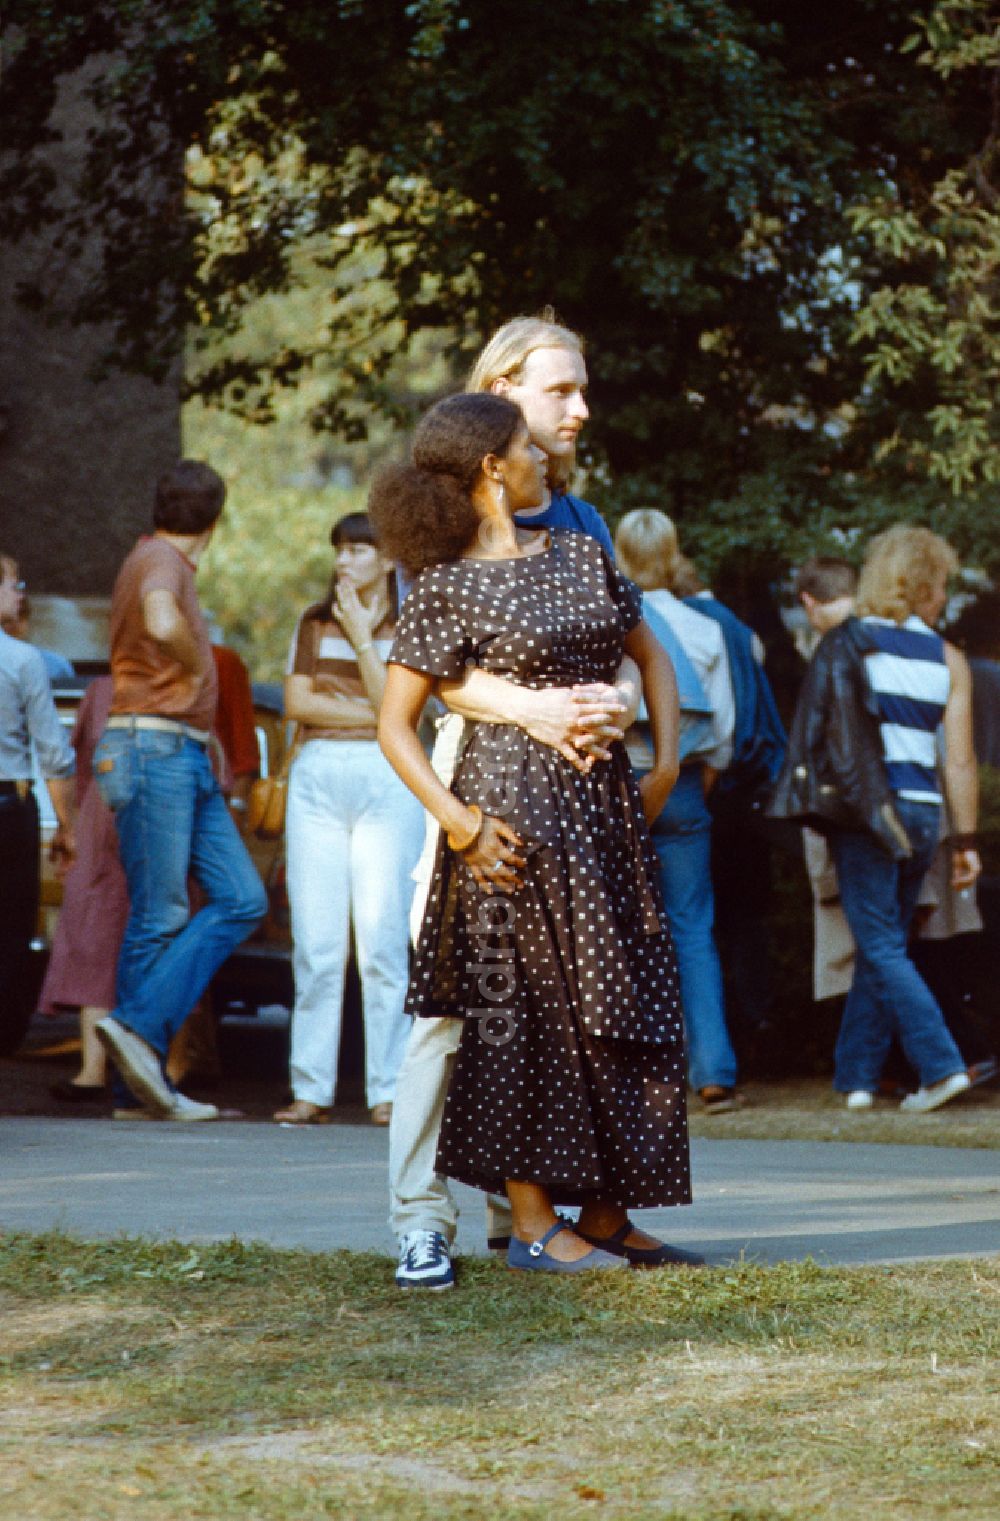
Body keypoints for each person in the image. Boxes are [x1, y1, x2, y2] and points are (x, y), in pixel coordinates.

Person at [387, 314, 693, 1290]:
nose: (578, 412)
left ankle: (597, 1210)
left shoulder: (581, 529)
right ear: (498, 424)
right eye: (559, 394)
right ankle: (428, 1222)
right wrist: (520, 734)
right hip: (488, 781)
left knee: (615, 994)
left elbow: (635, 648)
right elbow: (432, 681)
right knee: (481, 1007)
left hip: (596, 794)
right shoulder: (439, 547)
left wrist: (638, 731)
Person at [770, 525, 978, 1113]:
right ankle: (856, 1080)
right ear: (926, 585)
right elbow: (958, 760)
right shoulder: (947, 656)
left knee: (882, 945)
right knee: (884, 941)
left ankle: (941, 1067)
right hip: (924, 815)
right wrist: (965, 840)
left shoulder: (854, 641)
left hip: (868, 813)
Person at [92, 460, 266, 1120]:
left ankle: (137, 1062)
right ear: (216, 518)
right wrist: (198, 660)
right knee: (161, 914)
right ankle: (139, 1059)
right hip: (152, 749)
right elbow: (163, 621)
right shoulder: (162, 561)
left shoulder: (153, 555)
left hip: (177, 751)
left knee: (239, 896)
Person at [275, 512, 424, 1126]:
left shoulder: (412, 621)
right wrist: (369, 708)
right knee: (316, 942)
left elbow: (399, 711)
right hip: (318, 776)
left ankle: (387, 1090)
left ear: (388, 559)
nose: (344, 562)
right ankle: (310, 1088)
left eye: (360, 550)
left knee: (385, 939)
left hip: (388, 778)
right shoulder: (312, 622)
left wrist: (364, 642)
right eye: (340, 550)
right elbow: (295, 704)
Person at [614, 508, 740, 1113]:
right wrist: (688, 785)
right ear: (673, 550)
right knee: (692, 930)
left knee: (614, 929)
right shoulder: (703, 629)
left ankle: (632, 1074)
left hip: (614, 785)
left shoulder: (607, 617)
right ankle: (713, 1070)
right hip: (684, 785)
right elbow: (724, 735)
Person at [1, 554, 76, 1047]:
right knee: (9, 920)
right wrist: (67, 825)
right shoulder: (23, 660)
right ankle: (5, 1030)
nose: (21, 593)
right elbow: (53, 753)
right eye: (12, 584)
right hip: (9, 803)